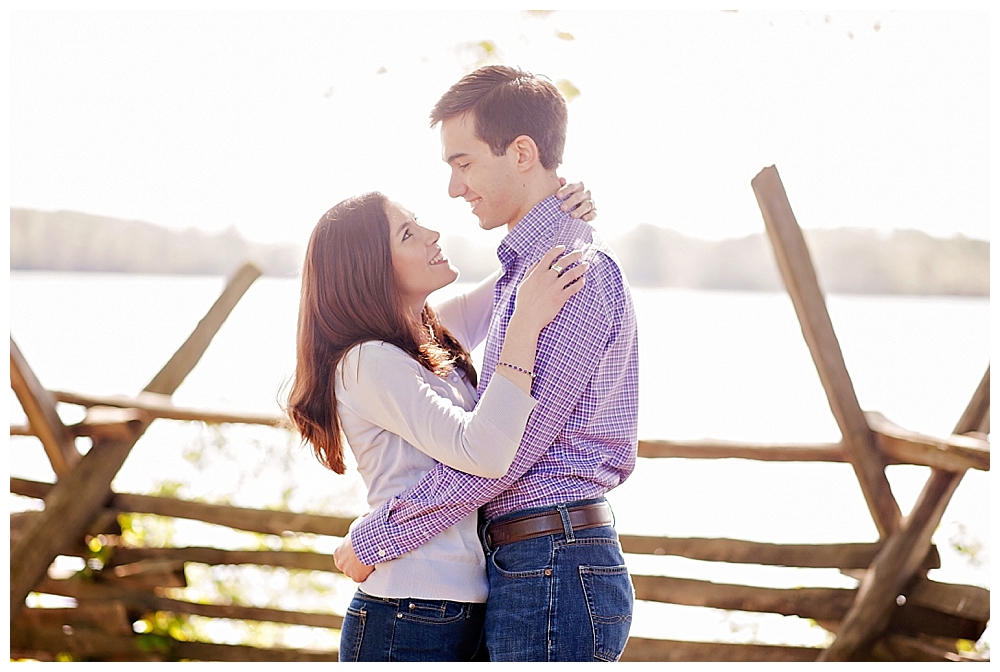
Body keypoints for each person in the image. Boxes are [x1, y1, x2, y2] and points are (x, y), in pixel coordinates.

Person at [335, 65, 639, 662]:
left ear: (522, 153)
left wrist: (378, 537)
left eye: (464, 162)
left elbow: (502, 455)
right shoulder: (525, 282)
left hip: (553, 558)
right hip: (534, 559)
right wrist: (570, 212)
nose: (454, 188)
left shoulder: (564, 278)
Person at [287, 185, 594, 662]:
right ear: (370, 268)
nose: (432, 234)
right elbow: (484, 452)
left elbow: (518, 285)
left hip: (456, 606)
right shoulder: (368, 362)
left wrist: (564, 219)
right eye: (408, 233)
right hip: (406, 611)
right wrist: (525, 326)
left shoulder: (423, 341)